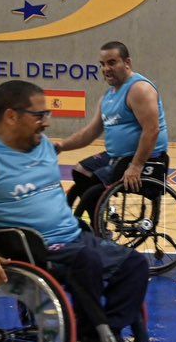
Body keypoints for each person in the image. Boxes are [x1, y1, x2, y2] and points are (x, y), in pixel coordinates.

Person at [0, 80, 151, 342]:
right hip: (37, 250)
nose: (46, 122)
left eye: (47, 114)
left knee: (134, 265)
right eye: (39, 115)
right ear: (11, 116)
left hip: (74, 238)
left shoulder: (41, 145)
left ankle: (106, 340)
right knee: (87, 262)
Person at [57, 41, 170, 224]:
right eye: (102, 64)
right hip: (117, 156)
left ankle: (94, 230)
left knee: (92, 192)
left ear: (127, 63)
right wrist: (61, 145)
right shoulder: (108, 97)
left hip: (144, 158)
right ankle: (97, 221)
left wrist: (136, 166)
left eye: (111, 62)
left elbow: (152, 130)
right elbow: (90, 132)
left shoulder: (139, 89)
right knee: (80, 172)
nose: (106, 68)